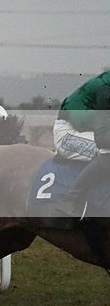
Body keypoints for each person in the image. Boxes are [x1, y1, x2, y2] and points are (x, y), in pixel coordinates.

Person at [53, 69, 110, 217]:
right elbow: (103, 139)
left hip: (89, 129)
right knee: (107, 152)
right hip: (69, 132)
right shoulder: (105, 90)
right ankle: (70, 200)